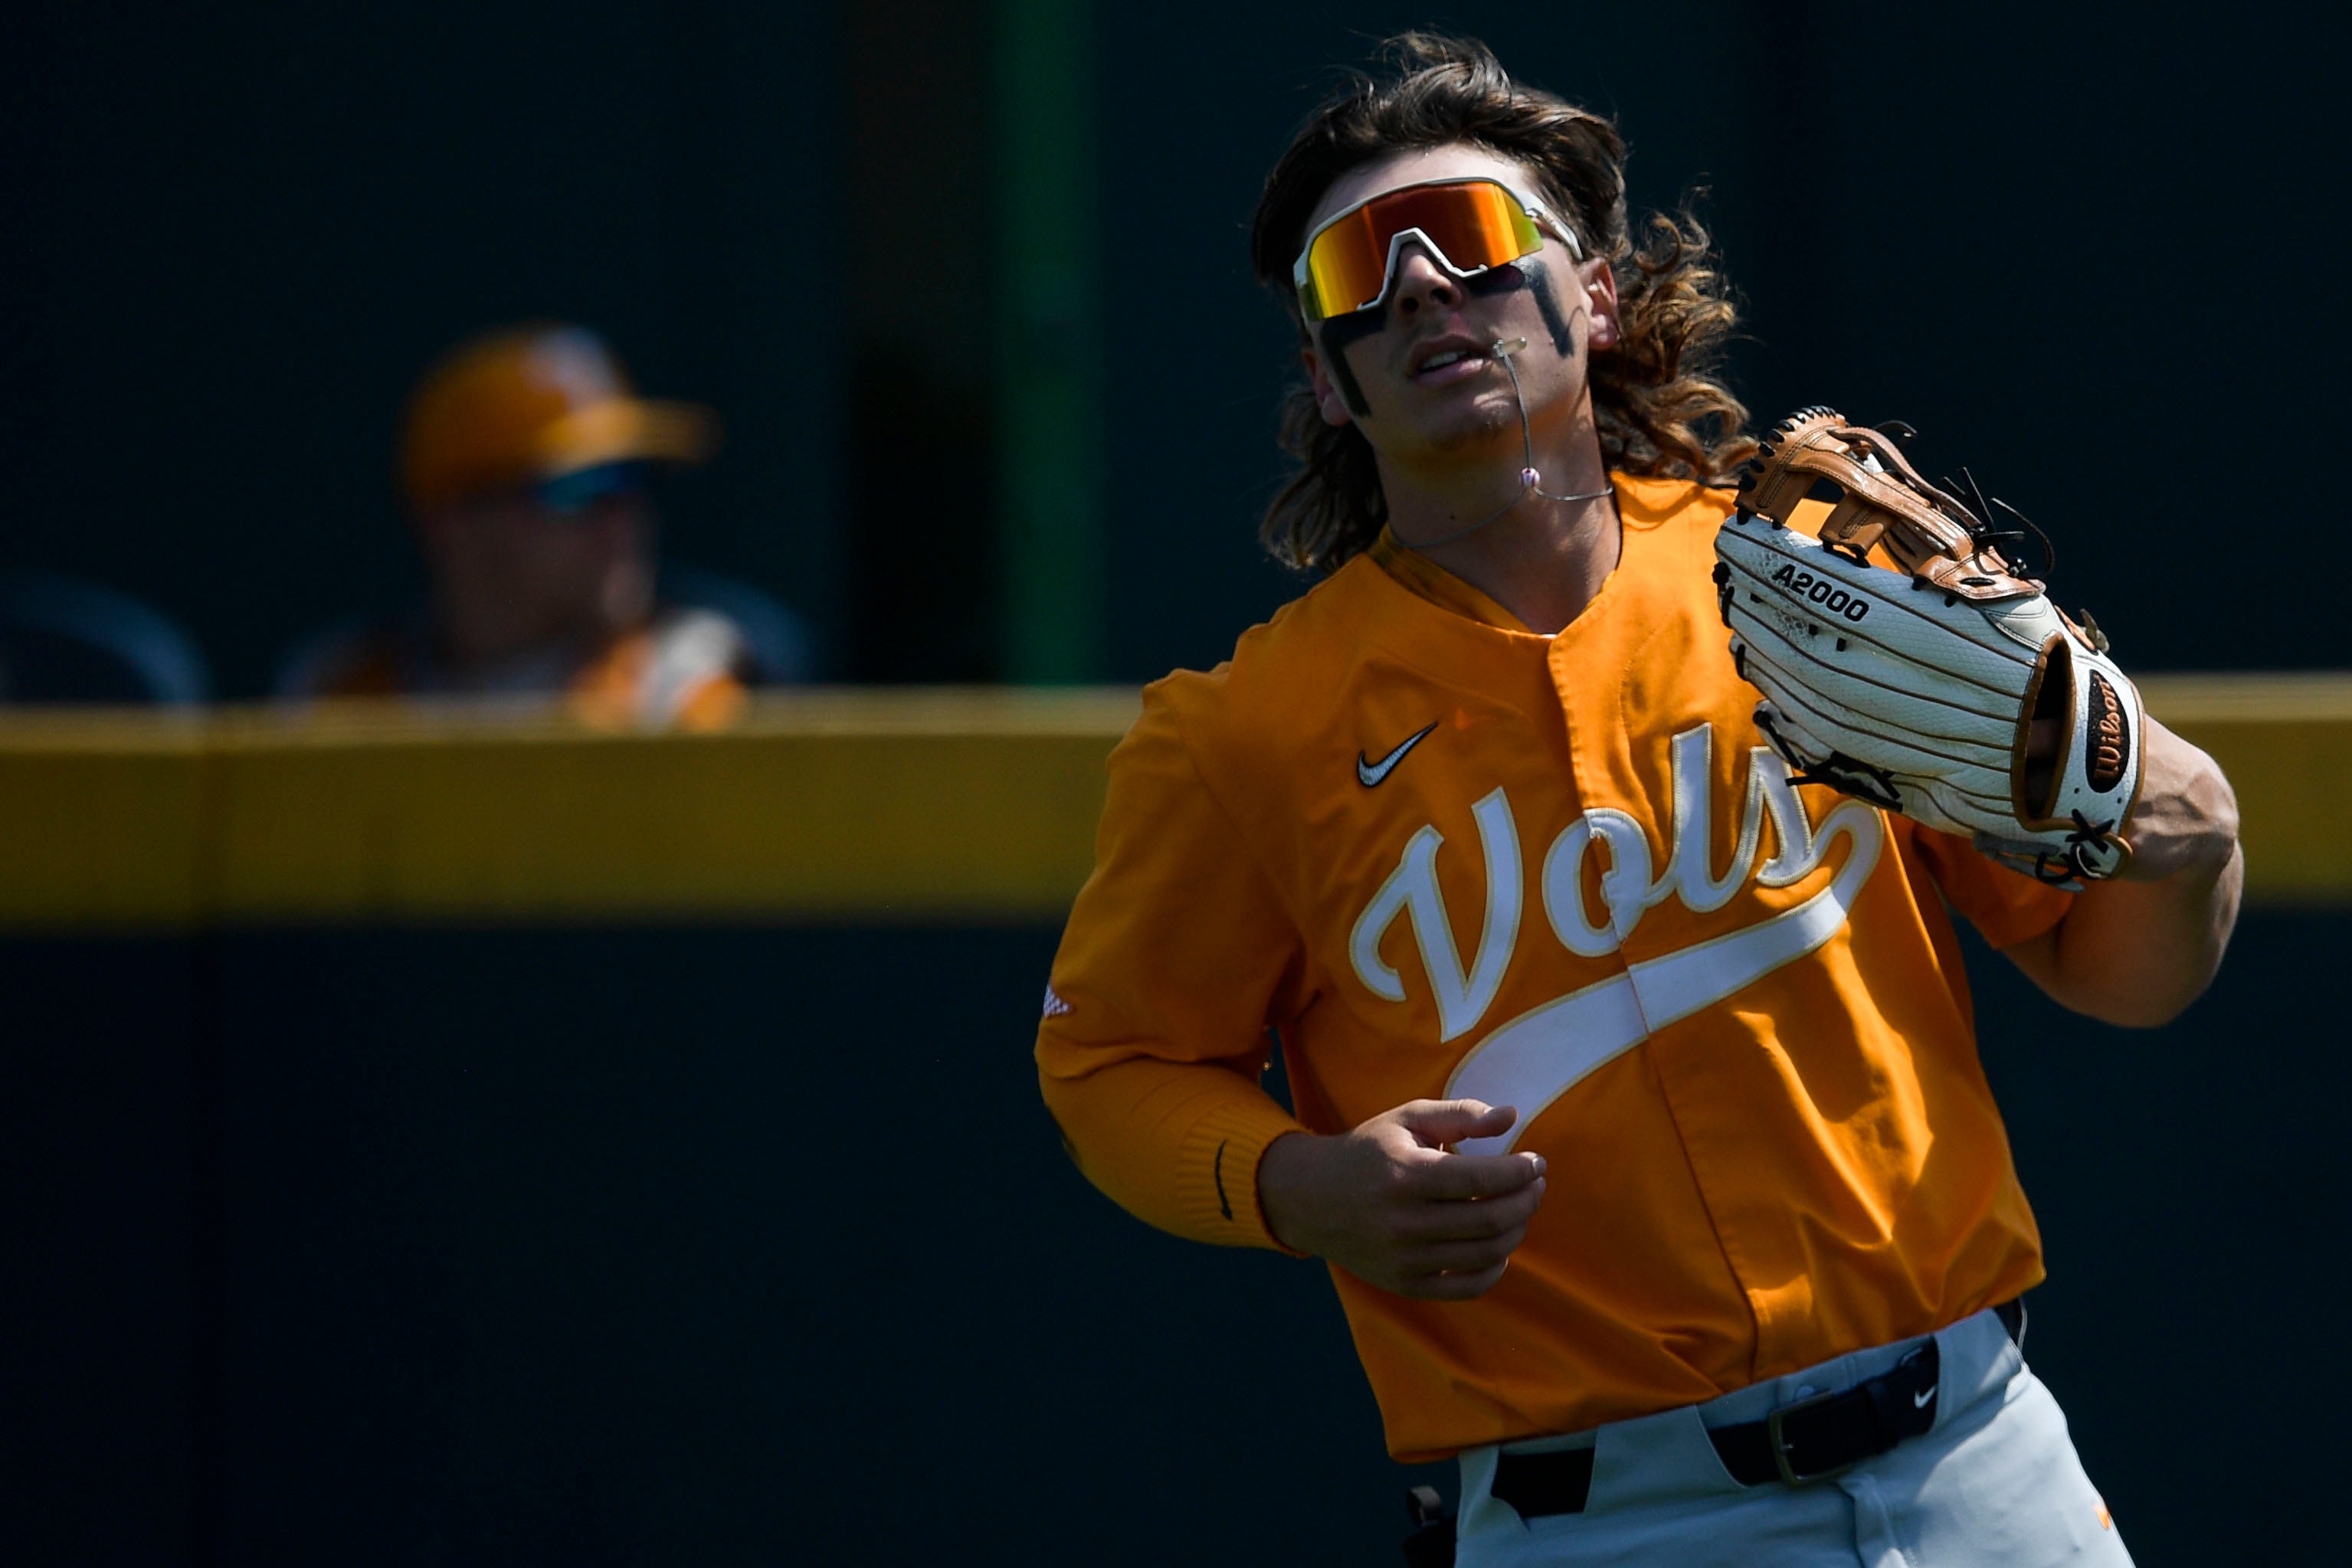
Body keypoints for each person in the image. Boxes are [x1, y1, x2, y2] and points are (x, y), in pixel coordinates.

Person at [1034, 34, 2241, 1567]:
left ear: (1593, 297)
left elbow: (2113, 975)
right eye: (1356, 273)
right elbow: (1111, 1065)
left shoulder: (1811, 591)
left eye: (1470, 241)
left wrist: (2187, 852)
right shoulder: (1241, 734)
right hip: (1597, 1516)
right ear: (1328, 381)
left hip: (1973, 1457)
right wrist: (1304, 1183)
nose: (1417, 288)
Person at [280, 323, 752, 728]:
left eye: (634, 479)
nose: (622, 517)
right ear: (454, 522)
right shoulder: (340, 693)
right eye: (580, 489)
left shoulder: (681, 682)